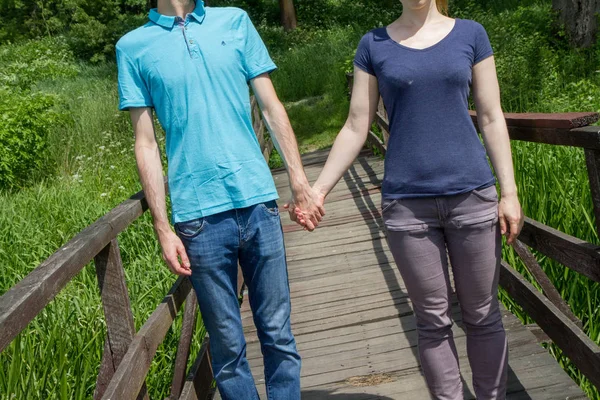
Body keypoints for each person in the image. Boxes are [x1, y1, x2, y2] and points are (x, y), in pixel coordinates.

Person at [292, 0, 524, 398]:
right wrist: (318, 189)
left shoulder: (472, 34)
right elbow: (355, 124)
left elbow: (490, 115)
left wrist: (510, 192)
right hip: (407, 206)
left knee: (483, 315)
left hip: (472, 195)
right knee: (432, 321)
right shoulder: (373, 45)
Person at [116, 1, 324, 398]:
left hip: (259, 203)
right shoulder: (133, 47)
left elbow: (270, 105)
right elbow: (145, 143)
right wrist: (162, 227)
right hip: (198, 219)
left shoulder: (235, 21)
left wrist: (298, 180)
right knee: (227, 350)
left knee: (279, 335)